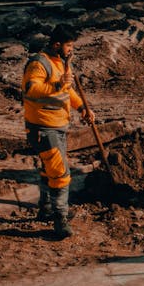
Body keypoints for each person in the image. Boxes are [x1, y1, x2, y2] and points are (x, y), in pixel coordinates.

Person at [22, 23, 93, 239]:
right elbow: (31, 89)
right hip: (44, 128)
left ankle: (45, 209)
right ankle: (60, 219)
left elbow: (68, 90)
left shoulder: (61, 62)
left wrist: (82, 107)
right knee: (60, 174)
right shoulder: (39, 63)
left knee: (48, 170)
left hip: (57, 125)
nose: (71, 49)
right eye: (69, 45)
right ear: (57, 44)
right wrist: (58, 85)